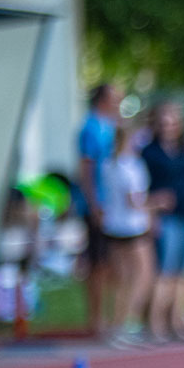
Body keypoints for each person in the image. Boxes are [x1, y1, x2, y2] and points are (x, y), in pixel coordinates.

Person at [142, 101, 184, 343]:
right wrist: (152, 209)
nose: (169, 127)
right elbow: (141, 188)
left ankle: (178, 321)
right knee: (165, 272)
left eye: (173, 123)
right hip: (165, 218)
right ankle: (155, 323)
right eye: (164, 123)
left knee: (183, 273)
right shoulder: (150, 153)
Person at [100, 120, 154, 347]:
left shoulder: (109, 164)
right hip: (132, 226)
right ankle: (128, 322)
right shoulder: (131, 166)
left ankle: (117, 324)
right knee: (142, 276)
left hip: (114, 225)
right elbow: (134, 201)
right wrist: (156, 205)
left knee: (122, 279)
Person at [75, 83, 123, 337]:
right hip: (100, 205)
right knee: (98, 263)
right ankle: (96, 319)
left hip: (116, 206)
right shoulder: (91, 128)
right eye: (115, 98)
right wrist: (93, 204)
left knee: (115, 262)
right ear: (103, 99)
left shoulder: (113, 126)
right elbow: (86, 168)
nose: (119, 103)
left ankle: (115, 317)